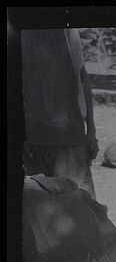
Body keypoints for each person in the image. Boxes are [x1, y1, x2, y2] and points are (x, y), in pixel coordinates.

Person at [21, 29, 99, 199]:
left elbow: (82, 77)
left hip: (68, 133)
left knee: (81, 203)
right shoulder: (22, 31)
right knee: (42, 208)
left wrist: (91, 130)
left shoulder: (67, 29)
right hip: (34, 137)